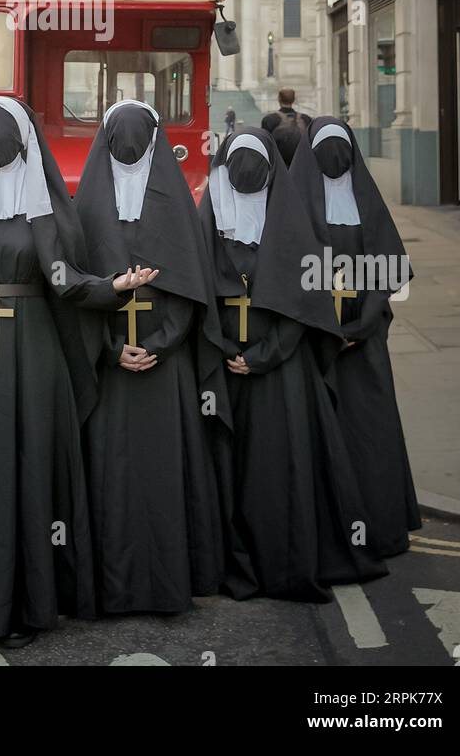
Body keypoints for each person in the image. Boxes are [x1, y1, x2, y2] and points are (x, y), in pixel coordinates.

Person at [0, 96, 159, 647]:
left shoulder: (43, 205)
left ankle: (27, 603)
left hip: (34, 353)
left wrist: (112, 289)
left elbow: (65, 282)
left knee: (29, 469)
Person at [198, 129, 387, 601]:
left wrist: (262, 356)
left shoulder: (292, 225)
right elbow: (195, 298)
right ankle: (228, 560)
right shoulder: (207, 228)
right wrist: (224, 350)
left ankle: (284, 561)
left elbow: (306, 305)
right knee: (228, 469)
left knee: (278, 470)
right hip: (223, 371)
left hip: (280, 373)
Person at [74, 99, 230, 614]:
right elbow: (77, 293)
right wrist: (112, 348)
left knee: (162, 474)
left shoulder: (174, 204)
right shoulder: (87, 208)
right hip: (111, 367)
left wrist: (159, 345)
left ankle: (166, 583)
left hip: (164, 365)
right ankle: (110, 585)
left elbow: (191, 290)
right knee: (110, 478)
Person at [289, 117, 420, 556]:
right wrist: (327, 328)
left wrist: (360, 327)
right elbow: (288, 276)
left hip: (364, 349)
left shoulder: (367, 201)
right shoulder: (296, 205)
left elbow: (389, 276)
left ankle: (379, 527)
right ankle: (328, 532)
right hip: (314, 345)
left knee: (369, 435)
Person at [261, 87, 313, 168]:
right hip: (301, 165)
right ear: (294, 99)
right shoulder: (306, 119)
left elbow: (265, 145)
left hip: (279, 167)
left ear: (279, 99)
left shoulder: (269, 120)